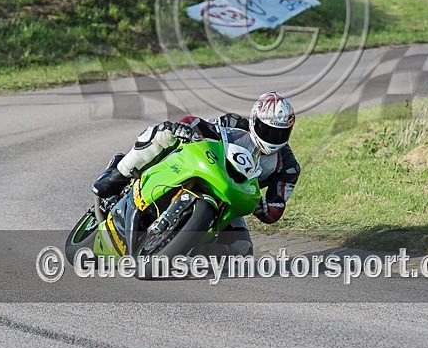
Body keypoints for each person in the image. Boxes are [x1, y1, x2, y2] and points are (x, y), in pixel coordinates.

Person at [92, 92, 300, 256]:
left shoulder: (288, 167)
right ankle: (118, 173)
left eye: (280, 133)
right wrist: (183, 129)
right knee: (165, 133)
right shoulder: (234, 125)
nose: (273, 138)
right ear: (255, 120)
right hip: (199, 170)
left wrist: (260, 205)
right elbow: (194, 122)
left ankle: (184, 247)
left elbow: (275, 211)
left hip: (228, 201)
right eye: (268, 130)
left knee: (241, 252)